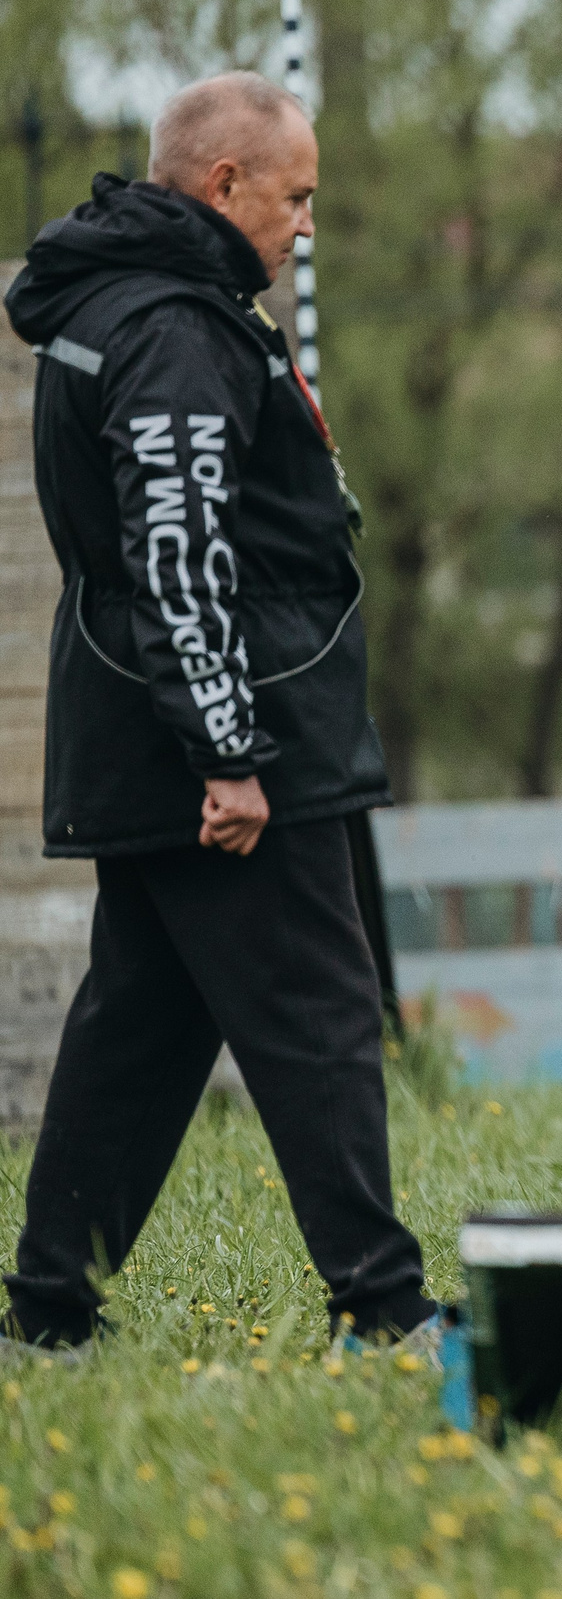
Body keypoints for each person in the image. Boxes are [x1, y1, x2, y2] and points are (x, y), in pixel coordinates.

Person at [0, 72, 444, 1356]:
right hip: (225, 744)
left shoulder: (123, 305)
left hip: (152, 732)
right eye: (294, 195)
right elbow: (178, 556)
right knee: (320, 1013)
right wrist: (230, 752)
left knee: (138, 1031)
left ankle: (46, 1314)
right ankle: (383, 1307)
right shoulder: (174, 330)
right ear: (223, 181)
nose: (306, 223)